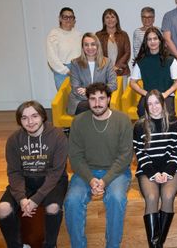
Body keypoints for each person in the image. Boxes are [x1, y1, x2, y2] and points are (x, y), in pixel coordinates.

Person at [65, 82, 133, 248]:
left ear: (109, 99)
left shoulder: (122, 120)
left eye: (102, 98)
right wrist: (90, 179)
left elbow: (125, 156)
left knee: (116, 199)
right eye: (93, 99)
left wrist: (105, 180)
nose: (97, 103)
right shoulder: (78, 121)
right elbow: (75, 157)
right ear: (87, 101)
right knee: (72, 200)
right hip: (86, 172)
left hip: (116, 172)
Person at [0, 101, 68, 248]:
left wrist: (36, 199)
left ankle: (50, 245)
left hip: (52, 181)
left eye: (34, 116)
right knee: (3, 208)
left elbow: (56, 172)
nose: (30, 122)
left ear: (42, 116)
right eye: (24, 118)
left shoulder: (58, 136)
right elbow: (14, 172)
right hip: (26, 181)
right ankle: (17, 246)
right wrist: (21, 198)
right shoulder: (14, 140)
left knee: (53, 206)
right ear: (19, 121)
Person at [133, 90, 177, 248]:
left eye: (156, 103)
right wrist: (153, 174)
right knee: (152, 197)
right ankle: (156, 245)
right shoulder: (140, 126)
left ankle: (157, 244)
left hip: (170, 167)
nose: (153, 107)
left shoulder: (174, 122)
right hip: (148, 168)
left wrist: (167, 172)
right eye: (149, 104)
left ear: (163, 103)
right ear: (146, 107)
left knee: (167, 196)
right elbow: (140, 153)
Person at [130, 27, 177, 117]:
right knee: (142, 110)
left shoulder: (170, 59)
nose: (152, 42)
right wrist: (145, 93)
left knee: (168, 115)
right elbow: (132, 82)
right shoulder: (141, 61)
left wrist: (165, 94)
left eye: (155, 38)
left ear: (160, 40)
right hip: (148, 96)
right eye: (149, 39)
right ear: (146, 42)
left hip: (166, 96)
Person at [67, 33, 117, 115]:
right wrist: (93, 98)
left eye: (93, 44)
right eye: (86, 45)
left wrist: (89, 92)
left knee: (97, 106)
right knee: (89, 106)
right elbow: (76, 88)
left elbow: (113, 84)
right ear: (82, 47)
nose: (90, 48)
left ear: (98, 46)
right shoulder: (75, 63)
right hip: (80, 101)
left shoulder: (107, 62)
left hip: (101, 100)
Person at [46, 7, 82, 90]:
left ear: (74, 20)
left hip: (78, 71)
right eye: (65, 17)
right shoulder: (54, 34)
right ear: (60, 18)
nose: (68, 19)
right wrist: (66, 71)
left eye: (71, 17)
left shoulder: (78, 34)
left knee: (80, 100)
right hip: (61, 72)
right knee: (65, 101)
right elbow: (52, 58)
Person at [96, 8, 131, 76]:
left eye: (112, 17)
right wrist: (107, 68)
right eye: (107, 17)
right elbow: (97, 53)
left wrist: (116, 66)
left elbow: (127, 53)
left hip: (122, 72)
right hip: (104, 72)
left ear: (117, 20)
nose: (110, 20)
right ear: (104, 21)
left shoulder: (124, 35)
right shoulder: (98, 35)